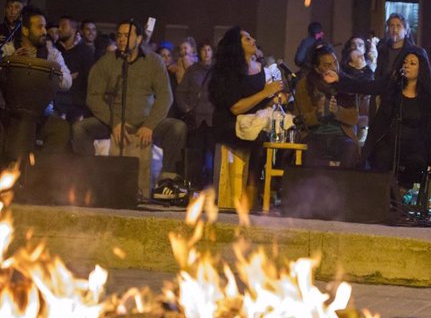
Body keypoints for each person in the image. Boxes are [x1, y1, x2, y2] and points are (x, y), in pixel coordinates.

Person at [72, 19, 187, 200]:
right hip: (114, 122)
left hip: (145, 122)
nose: (122, 39)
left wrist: (150, 124)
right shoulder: (107, 62)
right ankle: (89, 180)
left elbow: (166, 97)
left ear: (139, 39)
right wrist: (115, 122)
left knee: (177, 128)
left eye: (127, 35)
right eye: (119, 35)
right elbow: (93, 97)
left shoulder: (154, 61)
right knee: (80, 129)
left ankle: (166, 183)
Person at [326, 46, 431, 191]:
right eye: (405, 62)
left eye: (412, 63)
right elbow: (365, 86)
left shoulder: (428, 96)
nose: (407, 65)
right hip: (388, 140)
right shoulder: (392, 84)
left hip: (414, 145)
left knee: (417, 162)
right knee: (382, 157)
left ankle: (401, 194)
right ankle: (383, 196)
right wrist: (339, 79)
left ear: (421, 68)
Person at [209, 26, 285, 208]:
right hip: (230, 124)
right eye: (247, 39)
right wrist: (265, 92)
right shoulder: (228, 72)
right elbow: (236, 107)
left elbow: (260, 104)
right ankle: (250, 191)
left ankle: (274, 190)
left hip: (254, 122)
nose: (253, 41)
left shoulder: (260, 69)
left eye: (252, 37)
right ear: (236, 45)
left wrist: (273, 100)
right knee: (259, 139)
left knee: (281, 138)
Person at [0, 5, 72, 163]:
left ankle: (41, 173)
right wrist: (10, 62)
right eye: (39, 27)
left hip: (41, 114)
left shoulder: (52, 53)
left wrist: (45, 70)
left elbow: (67, 81)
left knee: (61, 129)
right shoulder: (8, 49)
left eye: (45, 27)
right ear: (25, 30)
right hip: (10, 114)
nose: (45, 31)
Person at [294, 43, 359, 168]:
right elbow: (298, 119)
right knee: (308, 151)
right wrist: (317, 114)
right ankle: (310, 187)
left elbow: (354, 118)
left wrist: (337, 111)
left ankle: (343, 187)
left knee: (350, 148)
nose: (334, 67)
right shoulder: (304, 85)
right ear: (317, 68)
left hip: (341, 136)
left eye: (335, 62)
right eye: (327, 65)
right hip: (315, 135)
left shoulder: (346, 84)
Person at [175, 41, 215, 190]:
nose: (206, 52)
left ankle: (209, 187)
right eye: (204, 49)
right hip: (196, 118)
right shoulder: (192, 71)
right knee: (196, 154)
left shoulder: (218, 71)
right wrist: (186, 108)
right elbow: (181, 92)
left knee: (211, 156)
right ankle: (196, 187)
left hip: (212, 119)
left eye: (209, 49)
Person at [54, 15, 95, 121]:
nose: (59, 29)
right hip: (56, 103)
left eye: (63, 26)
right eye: (59, 26)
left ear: (73, 29)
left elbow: (89, 80)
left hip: (76, 106)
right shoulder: (55, 50)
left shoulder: (85, 52)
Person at [341, 45, 375, 145]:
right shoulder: (352, 79)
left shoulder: (368, 72)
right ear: (351, 64)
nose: (362, 57)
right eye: (358, 57)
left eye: (362, 55)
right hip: (357, 121)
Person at [375, 13, 415, 80]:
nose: (395, 30)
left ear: (406, 31)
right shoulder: (382, 49)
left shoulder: (413, 52)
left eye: (398, 26)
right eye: (391, 26)